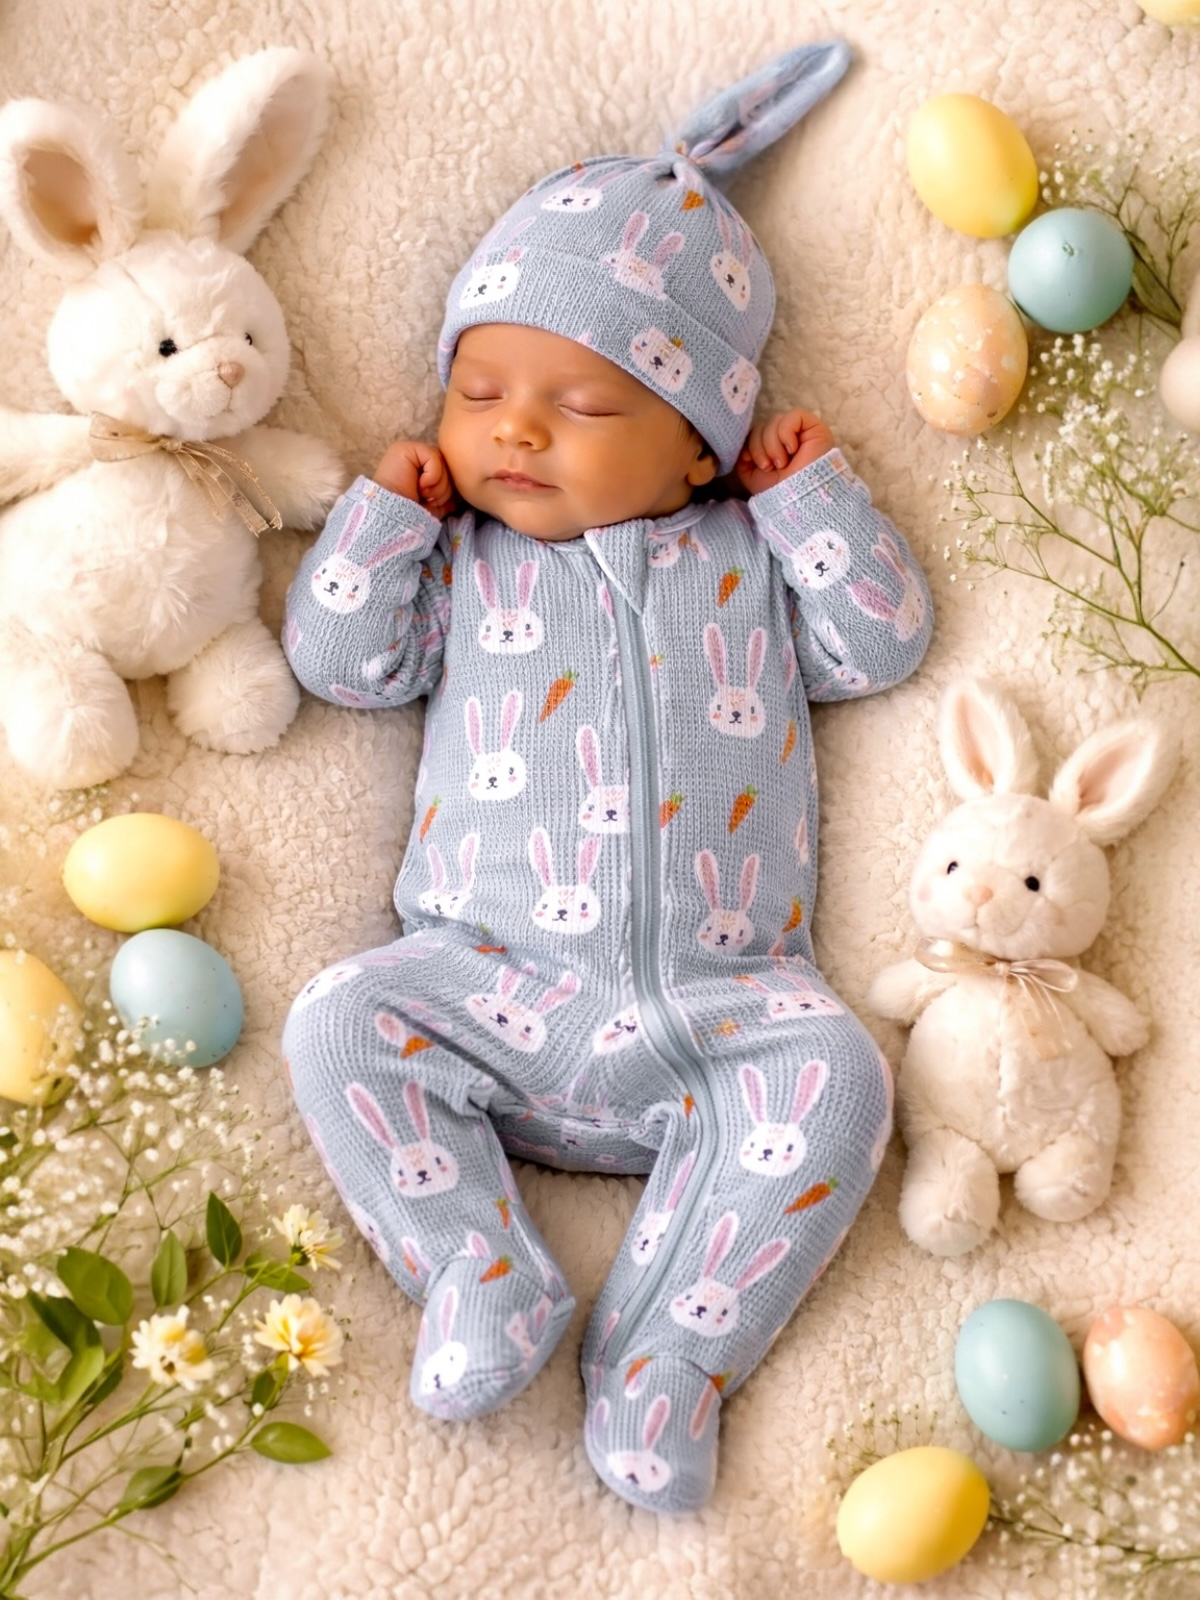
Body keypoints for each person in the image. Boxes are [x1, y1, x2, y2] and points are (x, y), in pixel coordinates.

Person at [282, 39, 932, 1513]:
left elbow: (881, 647)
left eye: (581, 408)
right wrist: (383, 521)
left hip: (726, 1011)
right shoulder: (463, 560)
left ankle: (661, 1365)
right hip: (490, 982)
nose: (514, 429)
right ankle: (482, 1270)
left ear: (698, 449)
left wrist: (814, 496)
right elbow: (341, 664)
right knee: (337, 1019)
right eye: (483, 387)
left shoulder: (744, 548)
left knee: (841, 1079)